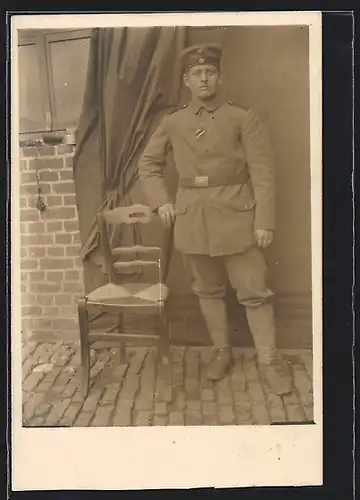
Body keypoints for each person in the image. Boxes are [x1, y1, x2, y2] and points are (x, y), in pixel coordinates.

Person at [138, 43, 291, 395]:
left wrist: (264, 221)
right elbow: (148, 165)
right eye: (197, 74)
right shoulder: (173, 122)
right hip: (193, 219)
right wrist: (161, 201)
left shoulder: (242, 118)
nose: (204, 78)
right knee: (207, 291)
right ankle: (221, 352)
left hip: (238, 216)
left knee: (254, 293)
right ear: (186, 80)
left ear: (219, 77)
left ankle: (269, 360)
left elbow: (263, 173)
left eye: (209, 72)